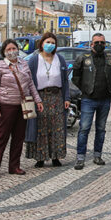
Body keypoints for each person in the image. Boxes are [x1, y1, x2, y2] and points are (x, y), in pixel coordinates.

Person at [0, 39, 43, 179]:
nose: (12, 51)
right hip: (6, 105)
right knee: (1, 137)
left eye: (14, 48)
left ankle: (14, 166)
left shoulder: (24, 63)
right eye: (9, 49)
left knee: (19, 137)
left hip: (23, 105)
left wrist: (38, 100)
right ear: (4, 52)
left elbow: (30, 84)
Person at [72, 33, 111, 170]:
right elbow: (76, 77)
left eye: (102, 42)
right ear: (91, 44)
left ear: (105, 44)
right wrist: (84, 90)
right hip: (88, 99)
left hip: (105, 99)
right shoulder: (82, 58)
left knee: (101, 129)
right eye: (97, 42)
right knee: (84, 128)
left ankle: (98, 155)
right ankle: (80, 157)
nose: (99, 45)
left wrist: (110, 87)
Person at [26, 32, 70, 168]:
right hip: (40, 97)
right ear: (42, 43)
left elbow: (65, 80)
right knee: (41, 127)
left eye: (52, 43)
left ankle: (56, 156)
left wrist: (66, 97)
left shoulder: (60, 59)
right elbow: (29, 81)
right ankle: (40, 157)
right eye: (47, 42)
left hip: (57, 96)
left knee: (57, 127)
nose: (50, 45)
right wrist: (34, 99)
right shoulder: (34, 60)